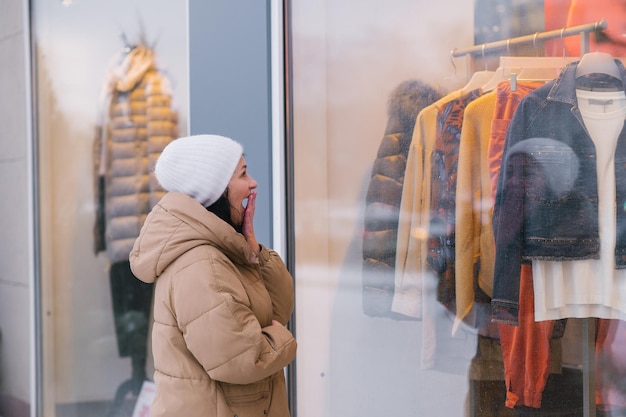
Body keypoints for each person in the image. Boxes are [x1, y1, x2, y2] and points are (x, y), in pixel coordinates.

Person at [129, 134, 297, 417]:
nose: (253, 182)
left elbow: (278, 309)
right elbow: (243, 357)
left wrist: (253, 248)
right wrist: (281, 337)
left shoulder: (225, 250)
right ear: (215, 190)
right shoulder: (201, 263)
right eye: (243, 174)